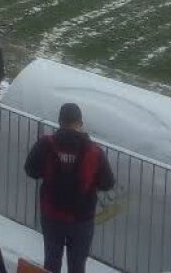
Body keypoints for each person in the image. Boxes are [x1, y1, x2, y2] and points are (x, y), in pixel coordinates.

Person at [25, 103, 116, 273]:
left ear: (59, 121)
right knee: (77, 266)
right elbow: (108, 183)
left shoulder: (46, 144)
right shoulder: (94, 151)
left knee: (51, 262)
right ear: (80, 123)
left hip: (52, 215)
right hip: (82, 219)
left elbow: (30, 170)